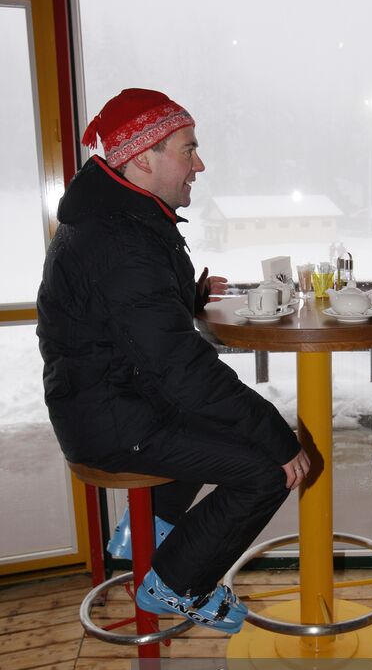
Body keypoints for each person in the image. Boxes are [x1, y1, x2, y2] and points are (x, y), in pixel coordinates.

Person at [37, 88, 310, 634]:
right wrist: (278, 435)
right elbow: (180, 368)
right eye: (188, 149)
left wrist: (185, 296)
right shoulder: (119, 238)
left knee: (230, 428)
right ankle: (175, 584)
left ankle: (147, 533)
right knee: (266, 470)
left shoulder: (120, 219)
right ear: (143, 157)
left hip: (114, 400)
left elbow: (121, 316)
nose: (199, 164)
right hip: (113, 420)